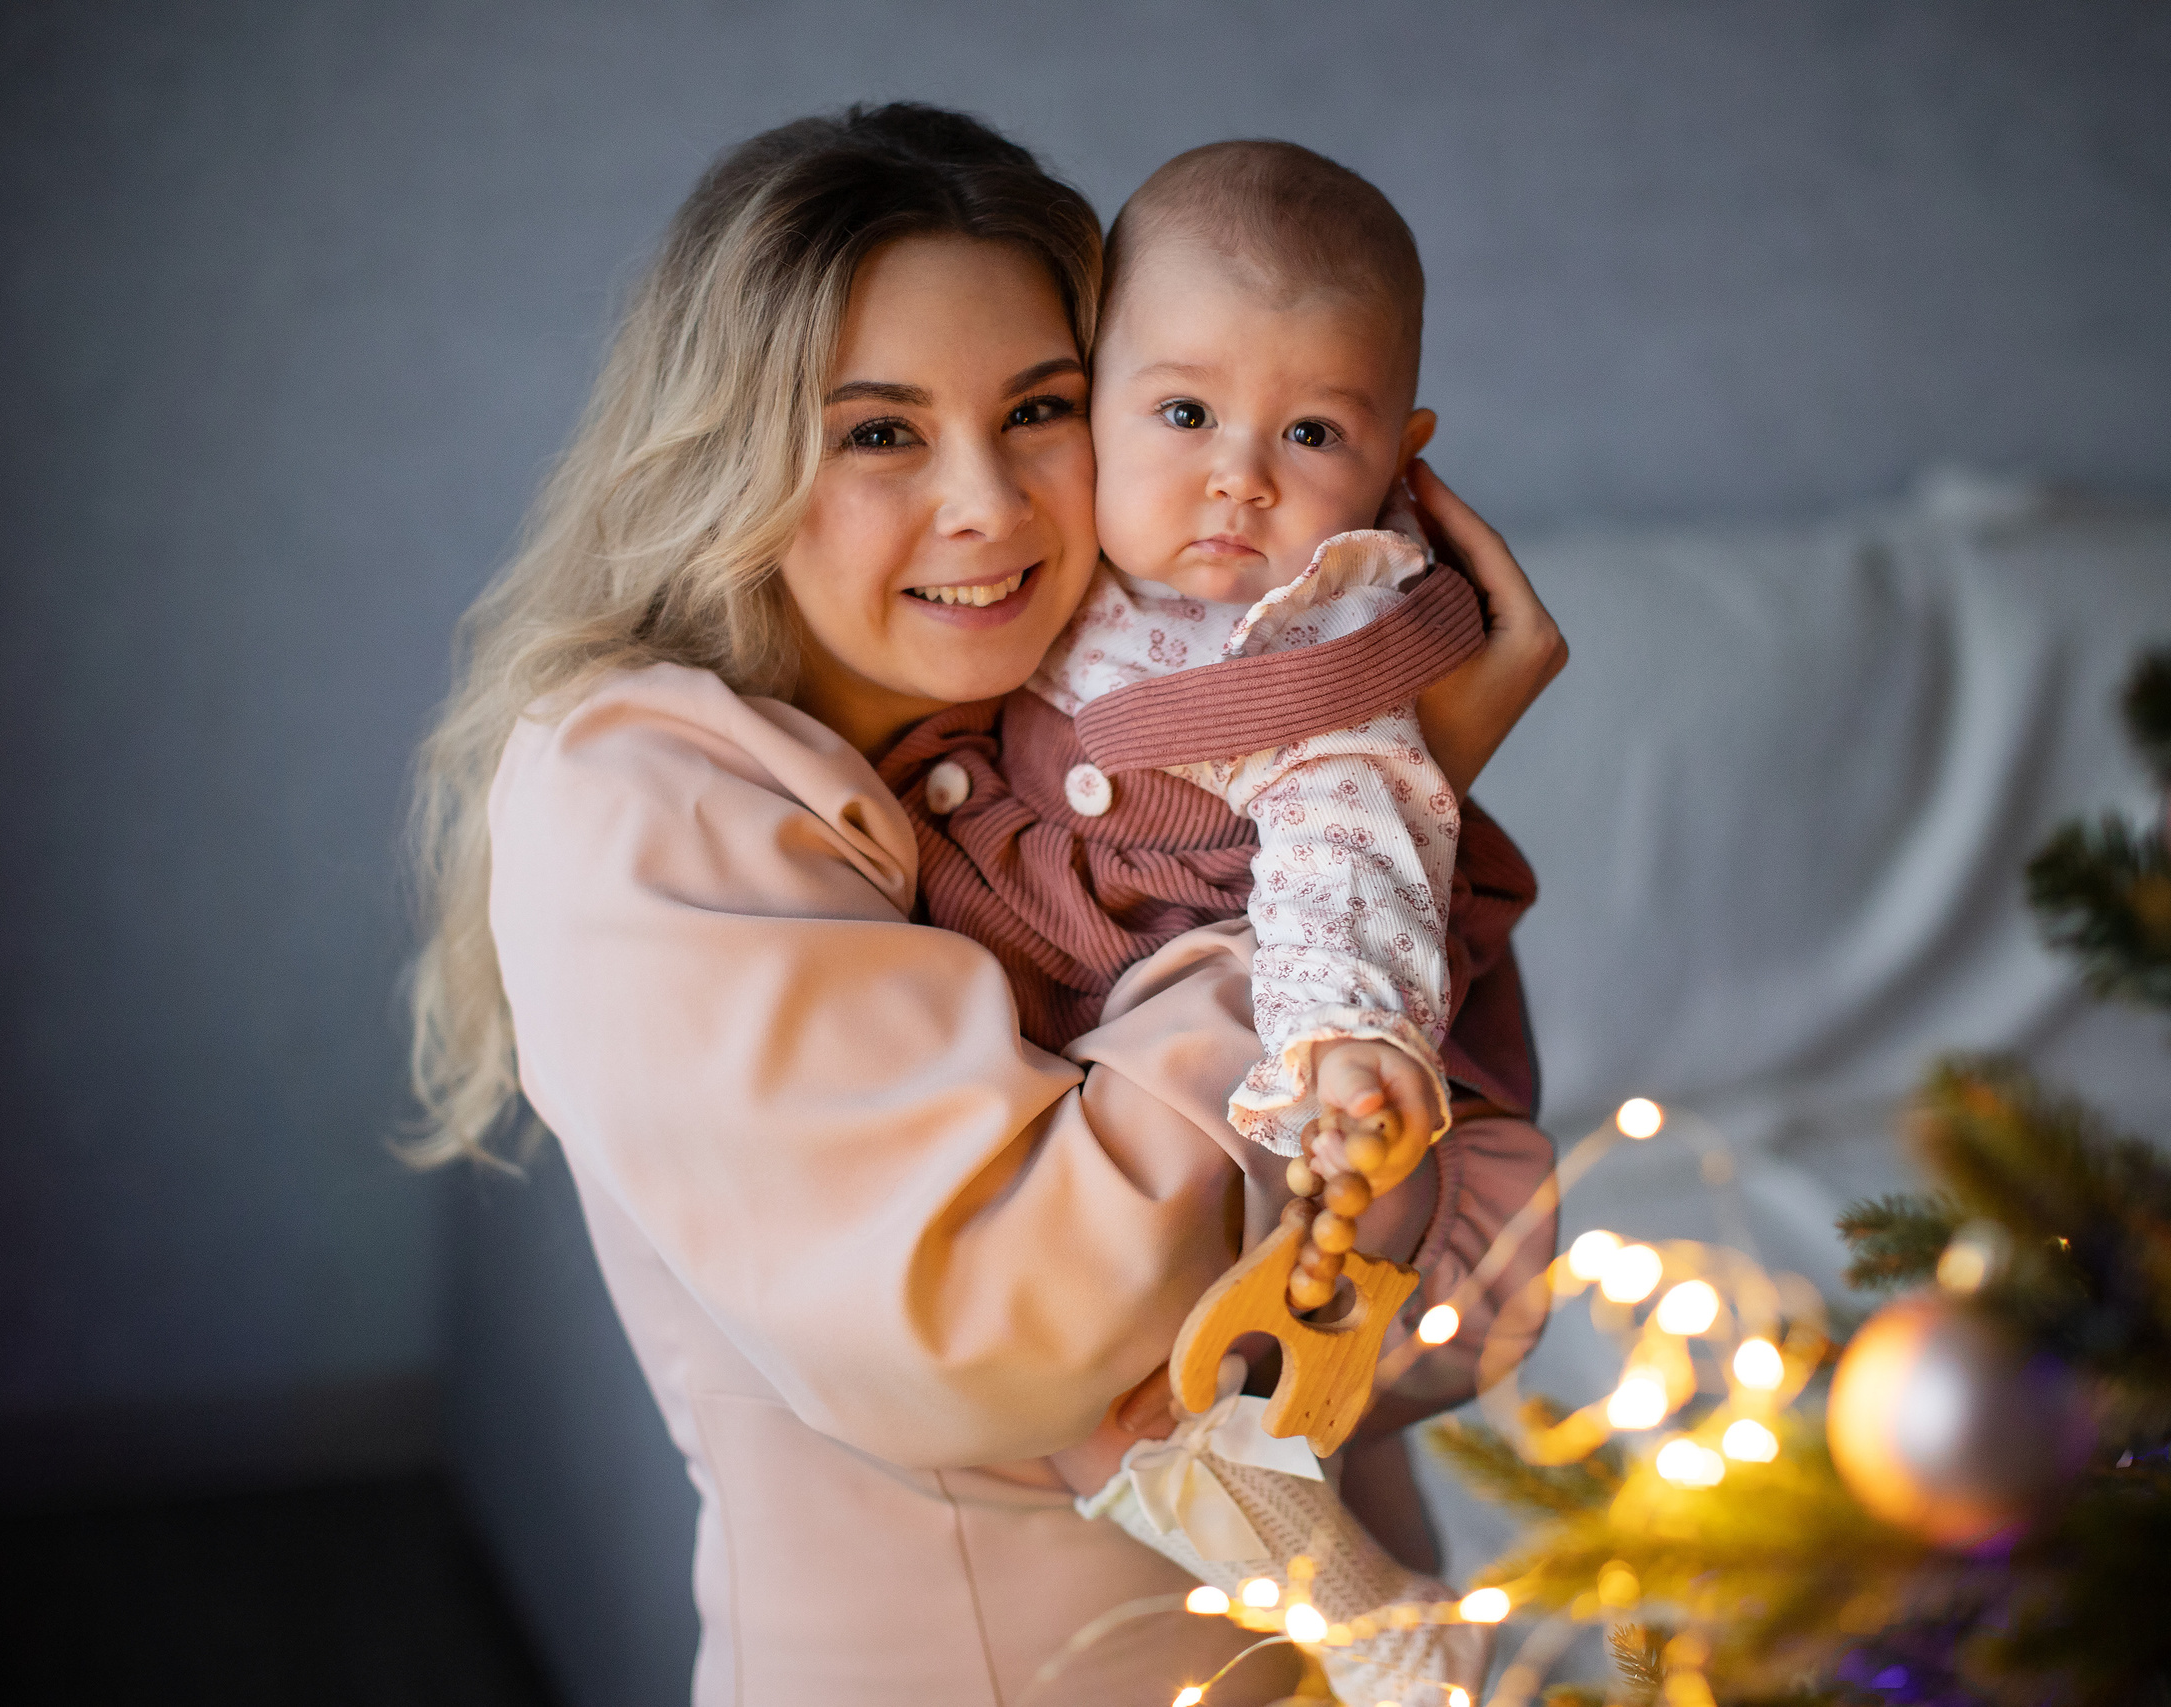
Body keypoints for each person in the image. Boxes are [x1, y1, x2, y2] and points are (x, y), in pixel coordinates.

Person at [408, 103, 1565, 1706]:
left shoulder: (1119, 727)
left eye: (1037, 410)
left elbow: (1404, 1313)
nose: (991, 505)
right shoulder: (640, 789)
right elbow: (1009, 1321)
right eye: (880, 433)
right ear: (736, 454)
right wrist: (1378, 845)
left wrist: (1354, 778)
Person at [892, 139, 1554, 1706]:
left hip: (1267, 1070)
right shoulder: (1046, 569)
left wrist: (1344, 1039)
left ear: (1400, 459)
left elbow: (1348, 852)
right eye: (1184, 413)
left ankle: (1364, 1610)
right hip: (1056, 1026)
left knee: (1128, 1361)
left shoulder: (1318, 653)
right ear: (1089, 406)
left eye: (1312, 431)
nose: (1240, 476)